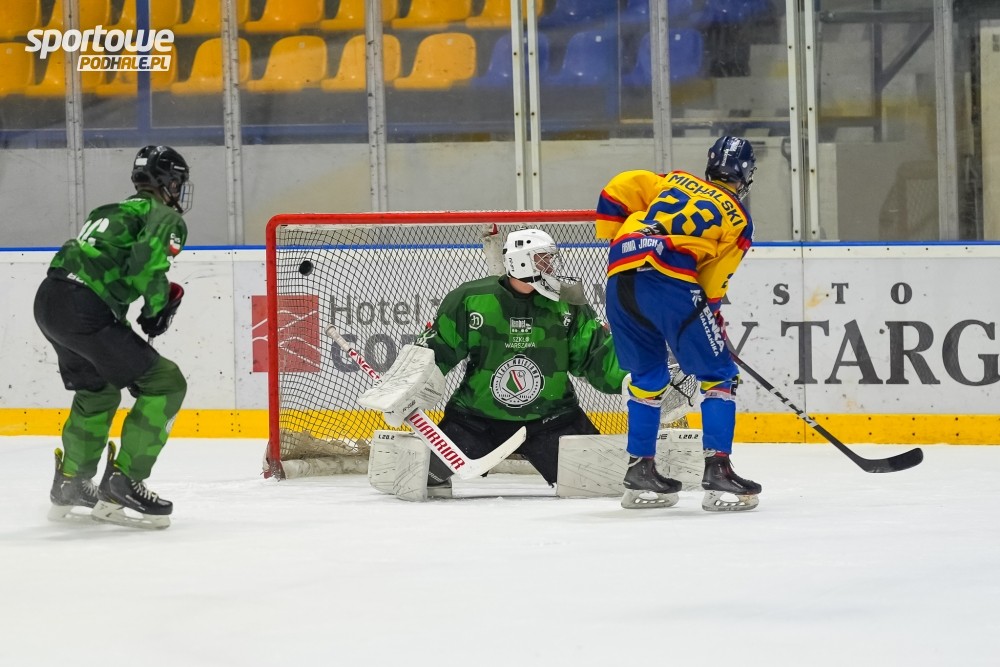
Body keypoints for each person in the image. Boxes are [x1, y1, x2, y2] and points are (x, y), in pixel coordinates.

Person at [359, 229, 635, 496]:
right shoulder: (471, 298)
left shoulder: (568, 302)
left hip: (553, 419)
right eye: (543, 259)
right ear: (521, 262)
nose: (550, 266)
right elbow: (435, 350)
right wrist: (404, 389)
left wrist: (630, 379)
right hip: (476, 419)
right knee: (415, 478)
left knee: (603, 484)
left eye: (550, 259)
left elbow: (594, 355)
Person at [596, 135, 763, 511]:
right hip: (669, 280)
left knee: (648, 377)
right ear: (746, 174)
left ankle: (640, 470)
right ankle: (718, 471)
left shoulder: (674, 179)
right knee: (719, 374)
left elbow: (619, 186)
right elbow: (712, 283)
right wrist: (711, 317)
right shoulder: (739, 219)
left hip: (619, 275)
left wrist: (613, 235)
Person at [34, 145, 192, 529]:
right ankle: (125, 482)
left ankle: (71, 482)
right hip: (84, 308)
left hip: (51, 301)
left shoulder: (106, 211)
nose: (178, 191)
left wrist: (129, 340)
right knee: (166, 383)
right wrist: (156, 310)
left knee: (98, 390)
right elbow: (146, 266)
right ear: (169, 183)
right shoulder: (164, 216)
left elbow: (105, 276)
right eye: (177, 183)